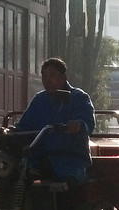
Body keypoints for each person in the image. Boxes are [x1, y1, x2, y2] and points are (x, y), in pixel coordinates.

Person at [13, 57, 95, 185]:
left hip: (69, 159)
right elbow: (24, 126)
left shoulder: (79, 97)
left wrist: (78, 125)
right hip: (38, 158)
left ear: (64, 77)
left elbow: (88, 124)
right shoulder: (39, 99)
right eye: (44, 76)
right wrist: (11, 132)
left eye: (52, 75)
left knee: (64, 189)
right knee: (11, 176)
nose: (47, 80)